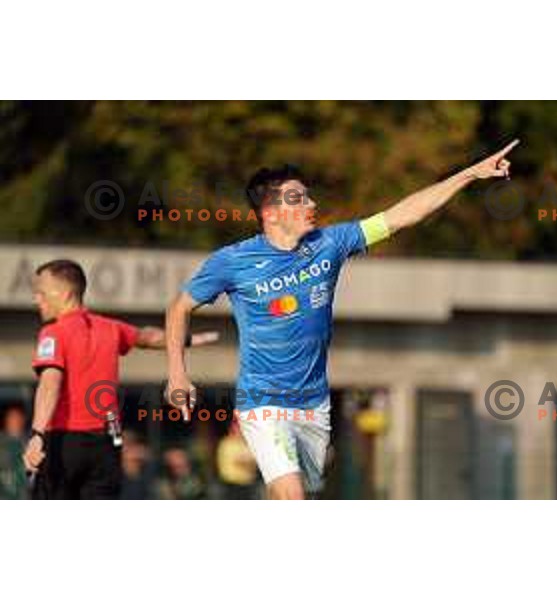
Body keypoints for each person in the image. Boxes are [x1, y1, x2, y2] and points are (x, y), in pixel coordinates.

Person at [166, 140, 519, 499]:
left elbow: (402, 215)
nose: (312, 204)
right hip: (263, 402)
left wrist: (470, 174)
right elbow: (179, 307)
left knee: (285, 493)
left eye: (309, 196)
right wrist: (178, 373)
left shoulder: (330, 243)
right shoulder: (232, 261)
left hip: (314, 405)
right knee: (292, 495)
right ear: (270, 212)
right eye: (299, 198)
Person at [23, 259, 218, 500]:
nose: (36, 299)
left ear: (64, 293)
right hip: (106, 444)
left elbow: (50, 383)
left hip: (64, 442)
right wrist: (183, 339)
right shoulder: (110, 327)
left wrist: (37, 434)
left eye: (41, 292)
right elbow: (146, 337)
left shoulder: (53, 332)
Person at [215, 419, 259, 500]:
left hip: (248, 485)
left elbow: (255, 459)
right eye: (239, 428)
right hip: (233, 486)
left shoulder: (246, 443)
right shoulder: (227, 443)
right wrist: (250, 458)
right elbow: (241, 459)